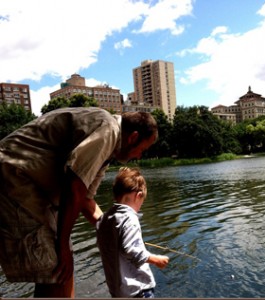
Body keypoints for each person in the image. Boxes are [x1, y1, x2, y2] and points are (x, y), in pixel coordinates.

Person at [0, 107, 158, 298]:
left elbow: (85, 199)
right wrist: (63, 244)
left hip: (30, 185)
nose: (140, 156)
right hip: (13, 177)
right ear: (133, 137)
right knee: (57, 266)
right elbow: (75, 187)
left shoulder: (106, 150)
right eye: (143, 149)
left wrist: (115, 231)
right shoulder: (107, 129)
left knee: (61, 268)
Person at [96, 167, 169, 298]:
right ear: (138, 195)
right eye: (142, 200)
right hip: (138, 291)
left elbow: (118, 246)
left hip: (118, 291)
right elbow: (130, 249)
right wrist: (156, 260)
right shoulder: (130, 218)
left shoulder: (105, 218)